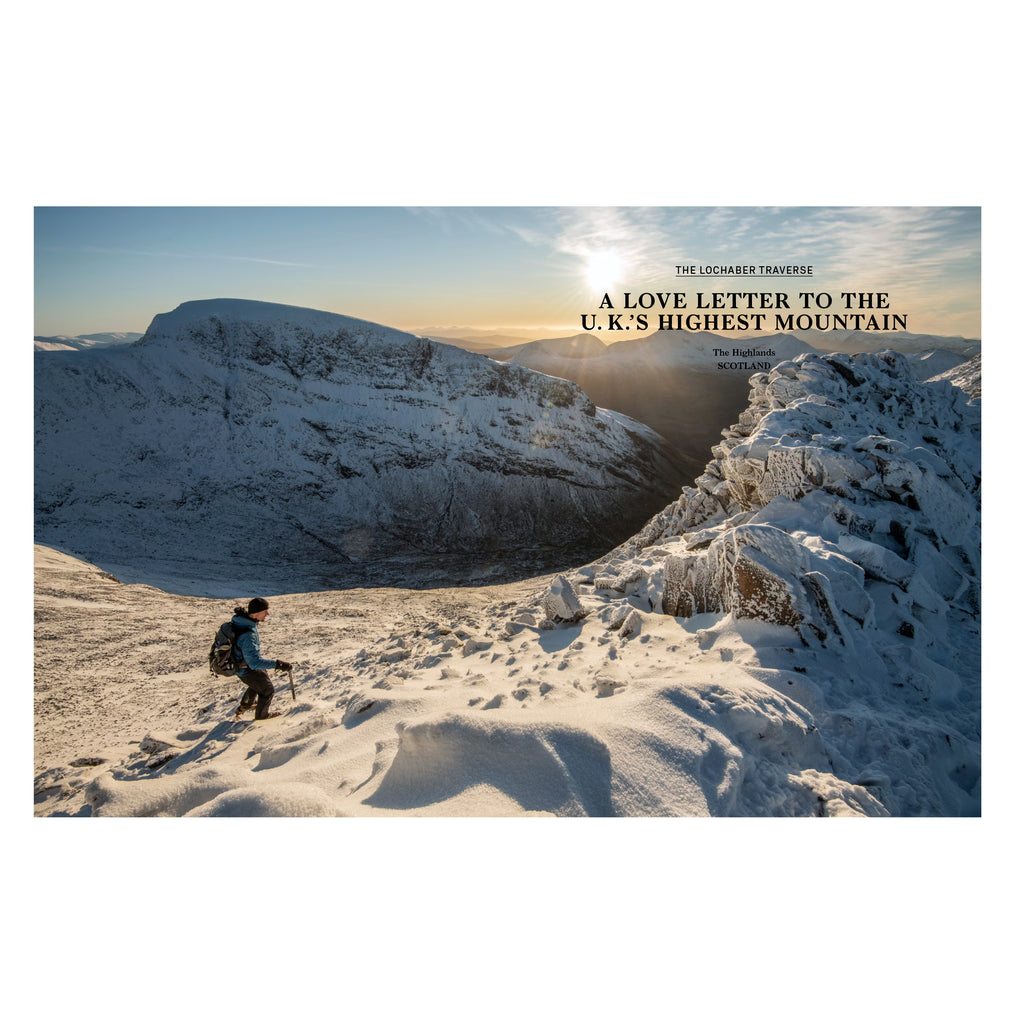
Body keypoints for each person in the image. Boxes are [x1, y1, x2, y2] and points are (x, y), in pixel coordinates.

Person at [231, 598, 292, 720]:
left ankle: (246, 704)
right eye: (265, 611)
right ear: (256, 612)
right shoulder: (248, 634)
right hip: (245, 669)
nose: (267, 614)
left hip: (240, 664)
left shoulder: (242, 622)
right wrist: (278, 664)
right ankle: (262, 717)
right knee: (267, 689)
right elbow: (254, 663)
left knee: (261, 676)